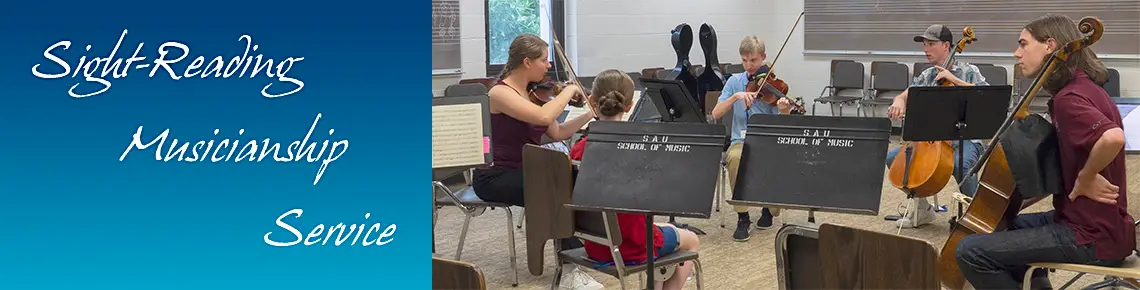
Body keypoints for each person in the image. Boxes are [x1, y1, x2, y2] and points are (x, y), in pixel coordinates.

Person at [954, 14, 1134, 289]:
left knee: (970, 251)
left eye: (1023, 44)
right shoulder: (1086, 88)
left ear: (1050, 45)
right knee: (1004, 228)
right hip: (1096, 225)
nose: (1017, 53)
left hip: (1089, 236)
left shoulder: (1068, 100)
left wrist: (1087, 176)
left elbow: (1113, 137)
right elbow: (1065, 167)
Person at [472, 33, 602, 290]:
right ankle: (570, 269)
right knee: (555, 191)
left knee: (577, 180)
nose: (549, 65)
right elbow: (543, 119)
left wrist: (590, 113)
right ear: (528, 62)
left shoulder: (530, 95)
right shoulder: (500, 93)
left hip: (526, 172)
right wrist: (570, 91)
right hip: (494, 176)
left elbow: (557, 132)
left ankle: (591, 249)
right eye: (544, 60)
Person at [571, 69, 702, 290]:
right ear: (630, 106)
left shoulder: (578, 150)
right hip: (632, 245)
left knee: (659, 229)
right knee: (691, 240)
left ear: (592, 101)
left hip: (596, 244)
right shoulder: (639, 149)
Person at [884, 24, 989, 228]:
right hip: (932, 139)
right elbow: (907, 94)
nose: (926, 49)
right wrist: (898, 101)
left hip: (966, 137)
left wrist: (954, 79)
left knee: (963, 165)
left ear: (946, 45)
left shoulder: (969, 70)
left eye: (931, 44)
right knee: (893, 158)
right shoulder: (928, 75)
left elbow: (986, 97)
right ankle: (923, 209)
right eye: (924, 44)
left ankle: (977, 214)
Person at [709, 35, 794, 242]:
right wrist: (735, 97)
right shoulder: (734, 82)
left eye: (754, 60)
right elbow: (716, 113)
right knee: (735, 158)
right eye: (745, 61)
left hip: (767, 140)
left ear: (763, 57)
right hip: (740, 140)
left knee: (777, 158)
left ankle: (768, 208)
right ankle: (742, 216)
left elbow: (783, 125)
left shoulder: (773, 85)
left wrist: (785, 111)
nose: (749, 66)